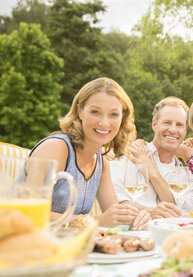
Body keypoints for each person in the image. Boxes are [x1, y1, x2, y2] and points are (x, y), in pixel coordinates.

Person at [29, 77, 150, 229]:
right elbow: (30, 214)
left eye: (113, 114)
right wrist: (94, 221)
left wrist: (137, 216)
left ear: (122, 118)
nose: (104, 123)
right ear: (80, 111)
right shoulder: (57, 148)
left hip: (69, 246)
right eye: (95, 112)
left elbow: (113, 216)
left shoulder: (101, 161)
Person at [110, 97, 193, 218]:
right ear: (154, 124)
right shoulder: (130, 157)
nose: (173, 130)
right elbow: (114, 205)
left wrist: (152, 172)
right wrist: (150, 212)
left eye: (179, 125)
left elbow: (185, 215)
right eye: (167, 122)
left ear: (185, 131)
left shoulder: (186, 176)